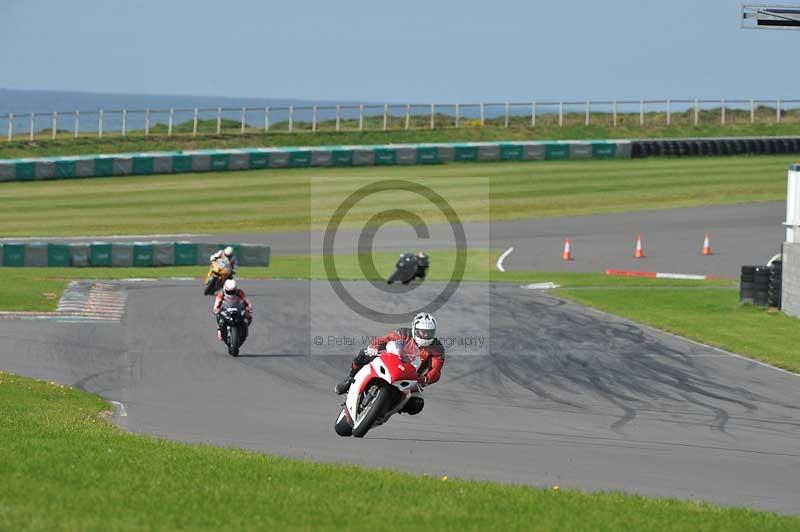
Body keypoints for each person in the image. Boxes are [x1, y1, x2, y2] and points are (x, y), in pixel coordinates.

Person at [334, 312, 444, 415]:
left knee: (417, 404)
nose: (425, 335)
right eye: (422, 332)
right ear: (415, 329)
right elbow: (383, 340)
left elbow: (436, 370)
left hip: (412, 377)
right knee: (363, 354)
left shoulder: (437, 348)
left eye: (429, 333)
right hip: (391, 362)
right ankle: (349, 379)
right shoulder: (403, 333)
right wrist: (374, 347)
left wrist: (425, 379)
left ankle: (391, 406)